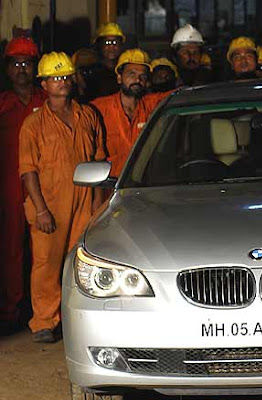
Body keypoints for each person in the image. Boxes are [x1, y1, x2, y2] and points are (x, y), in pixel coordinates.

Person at [19, 52, 105, 343]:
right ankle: (44, 321)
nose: (62, 82)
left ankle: (77, 319)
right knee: (47, 264)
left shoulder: (88, 115)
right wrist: (41, 209)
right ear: (43, 84)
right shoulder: (33, 124)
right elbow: (28, 170)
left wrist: (97, 202)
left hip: (84, 201)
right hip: (50, 203)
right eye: (55, 78)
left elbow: (98, 160)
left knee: (81, 264)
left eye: (66, 76)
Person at [0, 37, 47, 334]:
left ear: (35, 68)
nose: (21, 69)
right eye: (16, 64)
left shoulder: (48, 100)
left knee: (43, 251)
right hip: (8, 187)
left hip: (42, 186)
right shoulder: (2, 104)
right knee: (10, 251)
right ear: (8, 69)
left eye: (27, 64)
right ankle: (10, 312)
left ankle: (43, 312)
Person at [92, 49, 173, 177]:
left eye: (143, 76)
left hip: (144, 183)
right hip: (111, 184)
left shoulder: (152, 105)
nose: (137, 80)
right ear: (119, 78)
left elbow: (180, 95)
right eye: (132, 74)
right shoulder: (98, 108)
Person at [91, 22, 125, 97]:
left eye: (115, 43)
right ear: (99, 45)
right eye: (107, 43)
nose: (111, 47)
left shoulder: (125, 71)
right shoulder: (90, 73)